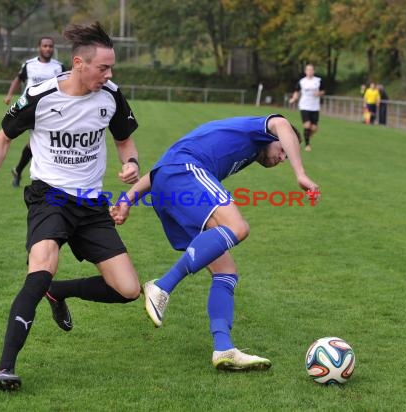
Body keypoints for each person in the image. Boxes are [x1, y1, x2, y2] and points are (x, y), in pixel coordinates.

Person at [0, 22, 142, 391]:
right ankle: (5, 368)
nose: (109, 75)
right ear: (79, 63)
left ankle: (59, 291)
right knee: (41, 265)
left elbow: (125, 140)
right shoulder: (40, 95)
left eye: (111, 68)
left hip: (92, 204)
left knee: (128, 289)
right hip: (50, 196)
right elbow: (3, 138)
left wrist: (132, 164)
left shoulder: (111, 95)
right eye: (103, 68)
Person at [110, 114, 320, 371]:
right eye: (283, 150)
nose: (282, 158)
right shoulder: (259, 128)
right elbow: (282, 123)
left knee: (226, 272)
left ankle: (224, 348)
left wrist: (127, 200)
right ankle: (162, 285)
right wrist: (300, 173)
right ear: (273, 139)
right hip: (185, 171)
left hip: (168, 181)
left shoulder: (240, 149)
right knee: (237, 227)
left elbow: (159, 172)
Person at [4, 37, 66, 188]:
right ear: (39, 47)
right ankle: (38, 175)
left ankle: (19, 171)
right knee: (36, 141)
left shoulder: (59, 67)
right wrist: (9, 95)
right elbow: (18, 79)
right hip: (30, 108)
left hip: (51, 109)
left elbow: (67, 85)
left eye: (50, 46)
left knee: (39, 142)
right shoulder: (29, 65)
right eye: (45, 46)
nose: (48, 49)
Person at [288, 64, 324, 152]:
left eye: (311, 70)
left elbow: (323, 91)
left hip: (315, 107)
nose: (310, 71)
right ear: (305, 71)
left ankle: (307, 134)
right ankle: (307, 145)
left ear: (313, 71)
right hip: (304, 106)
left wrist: (319, 94)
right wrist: (293, 98)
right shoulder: (302, 81)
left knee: (314, 128)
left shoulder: (318, 81)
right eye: (308, 70)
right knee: (307, 125)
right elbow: (296, 91)